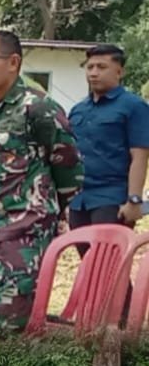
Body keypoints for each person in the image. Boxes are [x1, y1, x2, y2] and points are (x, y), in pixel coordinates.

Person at [0, 30, 83, 334]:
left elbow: (67, 163)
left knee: (13, 320)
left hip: (24, 228)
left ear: (13, 62)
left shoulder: (38, 108)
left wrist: (54, 212)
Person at [67, 44, 148, 233]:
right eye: (90, 67)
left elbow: (140, 157)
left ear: (119, 72)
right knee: (87, 261)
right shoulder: (78, 110)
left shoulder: (134, 106)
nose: (94, 73)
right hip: (79, 201)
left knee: (109, 260)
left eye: (101, 67)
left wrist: (134, 200)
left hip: (111, 199)